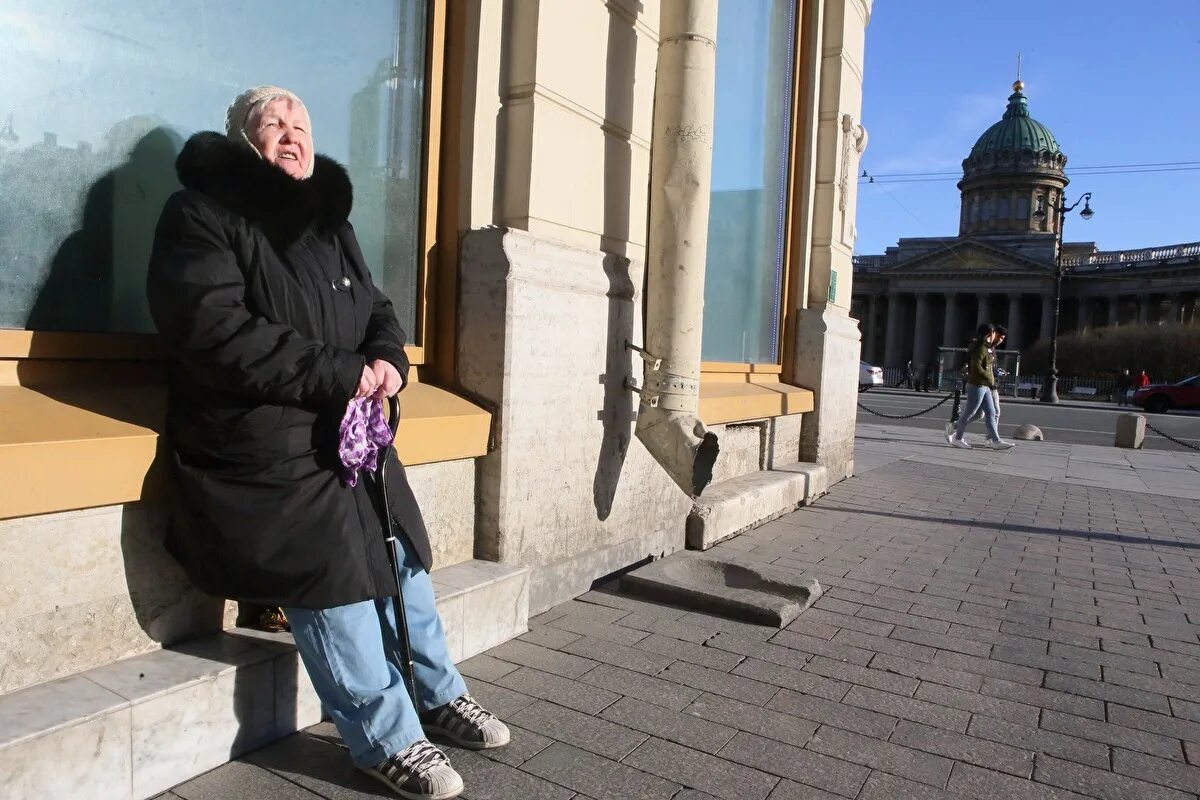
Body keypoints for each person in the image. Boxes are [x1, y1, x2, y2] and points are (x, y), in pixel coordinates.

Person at [147, 86, 507, 800]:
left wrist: (389, 361)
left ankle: (436, 693)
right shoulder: (201, 213)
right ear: (244, 142)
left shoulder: (324, 221)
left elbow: (376, 307)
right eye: (273, 123)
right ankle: (385, 737)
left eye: (301, 123)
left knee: (399, 547)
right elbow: (215, 332)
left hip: (346, 426)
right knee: (333, 568)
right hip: (256, 438)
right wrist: (343, 372)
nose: (291, 133)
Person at [945, 323, 1014, 450]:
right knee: (970, 413)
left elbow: (988, 366)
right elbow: (977, 367)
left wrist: (992, 376)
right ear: (989, 333)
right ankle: (957, 438)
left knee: (991, 412)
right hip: (977, 384)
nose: (996, 337)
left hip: (986, 385)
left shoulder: (987, 347)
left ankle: (996, 441)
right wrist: (989, 377)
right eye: (994, 333)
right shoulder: (980, 347)